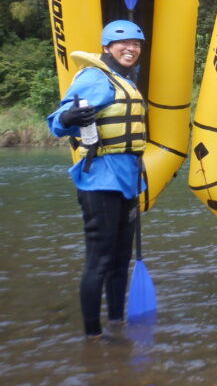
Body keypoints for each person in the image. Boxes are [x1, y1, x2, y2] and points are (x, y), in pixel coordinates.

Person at [47, 19, 147, 338]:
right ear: (106, 47)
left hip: (128, 181)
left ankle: (116, 324)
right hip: (101, 181)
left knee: (120, 260)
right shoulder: (93, 77)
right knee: (100, 261)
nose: (130, 48)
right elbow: (57, 123)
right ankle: (92, 336)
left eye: (136, 44)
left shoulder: (123, 81)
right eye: (123, 43)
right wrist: (67, 117)